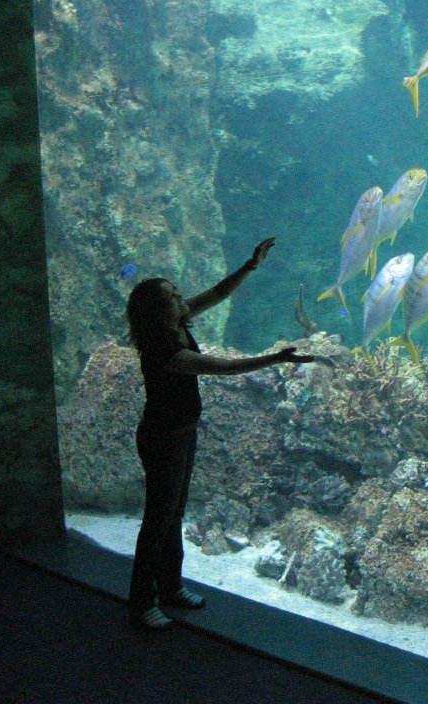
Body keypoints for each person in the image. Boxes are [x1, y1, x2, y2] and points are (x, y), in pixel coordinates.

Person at [124, 237, 314, 630]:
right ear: (160, 311)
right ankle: (143, 602)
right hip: (163, 437)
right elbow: (224, 367)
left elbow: (217, 292)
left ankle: (171, 587)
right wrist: (276, 358)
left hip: (182, 432)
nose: (182, 297)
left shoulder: (176, 323)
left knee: (173, 514)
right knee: (158, 519)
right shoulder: (163, 349)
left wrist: (250, 264)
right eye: (173, 296)